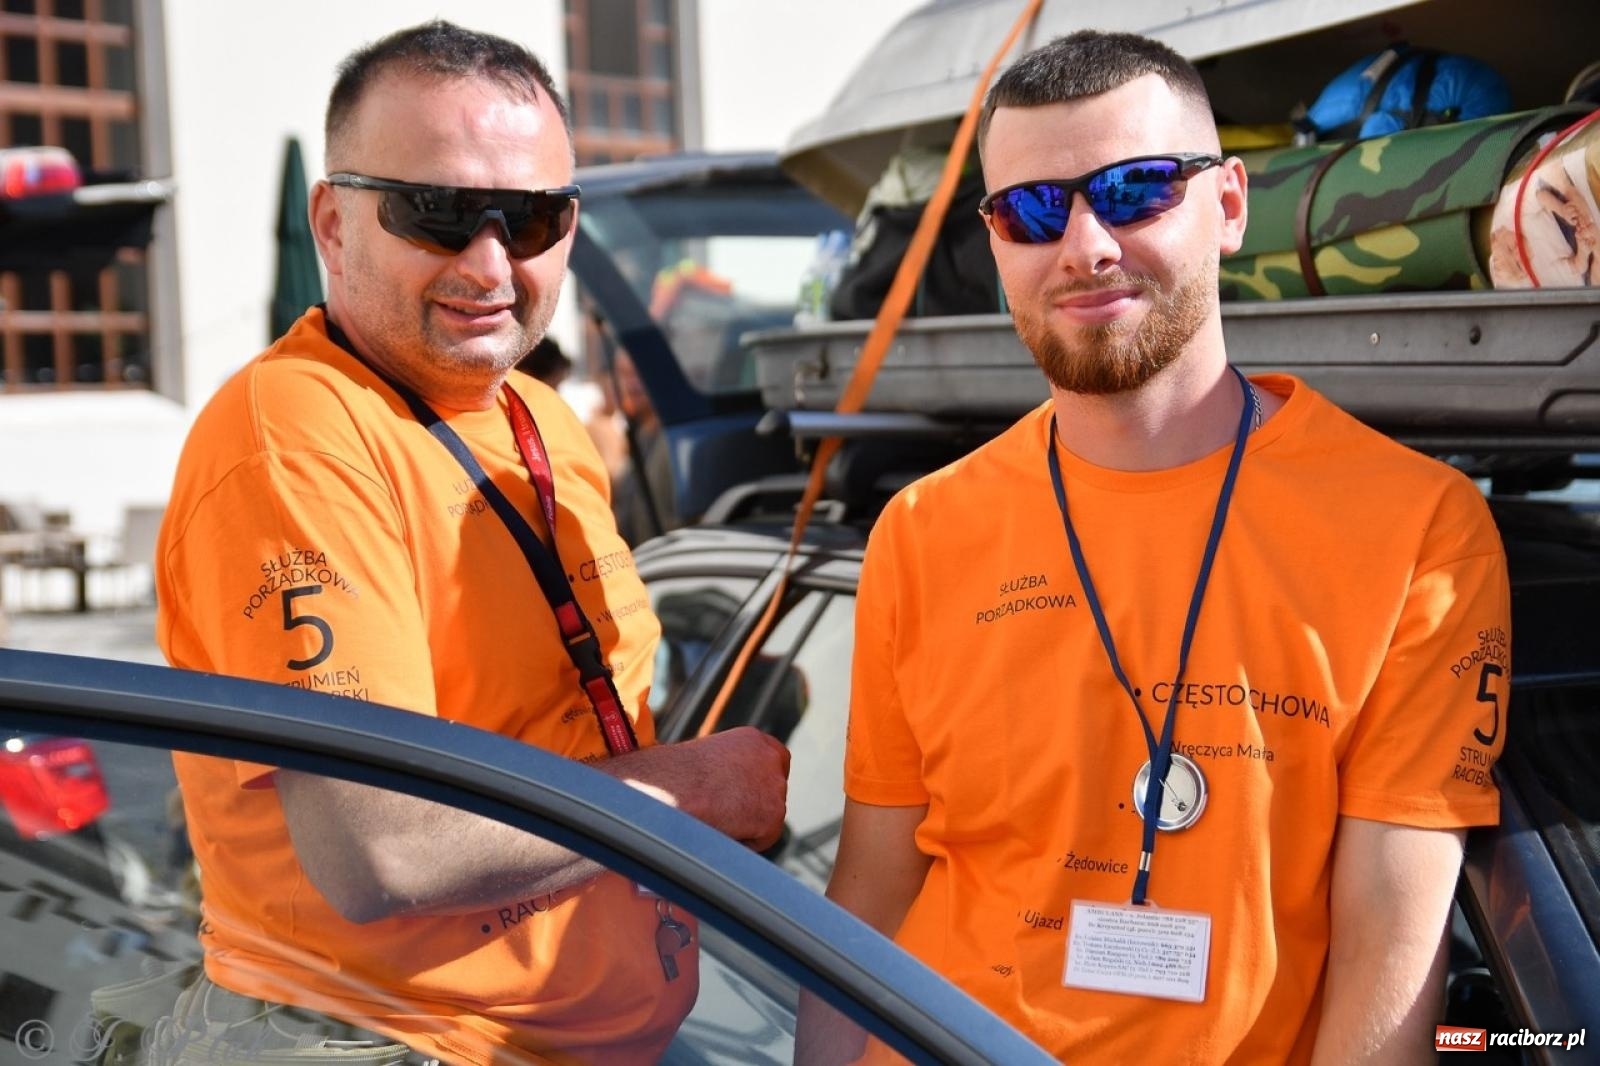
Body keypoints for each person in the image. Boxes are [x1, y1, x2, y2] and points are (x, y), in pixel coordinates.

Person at [802, 30, 1509, 1066]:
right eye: (1031, 210)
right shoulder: (920, 529)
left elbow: (1387, 949)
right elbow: (870, 896)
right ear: (993, 241)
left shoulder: (1419, 531)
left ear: (1229, 205)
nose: (1085, 244)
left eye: (1134, 191)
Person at [153, 20, 788, 1064]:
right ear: (333, 223)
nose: (491, 262)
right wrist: (689, 791)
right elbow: (381, 849)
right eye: (439, 213)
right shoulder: (296, 431)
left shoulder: (546, 422)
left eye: (533, 218)